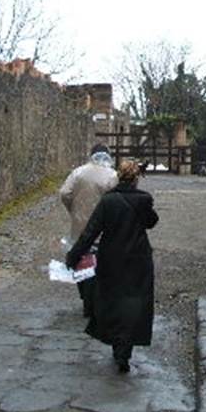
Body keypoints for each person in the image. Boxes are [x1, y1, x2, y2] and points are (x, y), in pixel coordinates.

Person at [66, 159, 158, 373]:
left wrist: (74, 255)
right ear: (136, 179)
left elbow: (91, 232)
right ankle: (125, 349)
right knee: (134, 302)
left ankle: (118, 344)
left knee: (114, 301)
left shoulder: (108, 201)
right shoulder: (144, 200)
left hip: (112, 258)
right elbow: (151, 222)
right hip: (138, 258)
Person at [60, 145, 118, 315]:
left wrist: (73, 209)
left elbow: (65, 193)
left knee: (80, 258)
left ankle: (86, 298)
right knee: (103, 261)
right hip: (104, 226)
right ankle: (100, 300)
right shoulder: (112, 175)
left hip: (80, 225)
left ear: (91, 155)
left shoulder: (78, 172)